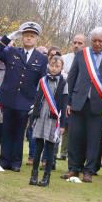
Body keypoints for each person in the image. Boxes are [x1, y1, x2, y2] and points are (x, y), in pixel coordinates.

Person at [63, 27, 102, 182]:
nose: (97, 44)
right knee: (75, 137)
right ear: (90, 41)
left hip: (99, 106)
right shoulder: (82, 54)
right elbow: (72, 78)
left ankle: (88, 171)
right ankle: (73, 169)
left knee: (93, 140)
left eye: (100, 41)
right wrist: (68, 101)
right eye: (94, 41)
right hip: (78, 103)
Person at [0, 22, 47, 172]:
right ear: (22, 38)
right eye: (26, 35)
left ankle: (16, 163)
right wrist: (9, 37)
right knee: (6, 130)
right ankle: (4, 161)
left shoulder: (41, 59)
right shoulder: (12, 52)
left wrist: (36, 102)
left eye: (32, 36)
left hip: (26, 100)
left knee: (19, 132)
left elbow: (43, 83)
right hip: (9, 98)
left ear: (36, 39)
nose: (28, 38)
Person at [29, 54, 67, 187]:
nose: (54, 68)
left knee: (50, 148)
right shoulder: (42, 80)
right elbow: (37, 99)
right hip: (41, 116)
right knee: (38, 146)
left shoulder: (63, 82)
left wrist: (62, 125)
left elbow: (63, 104)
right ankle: (34, 175)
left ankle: (46, 176)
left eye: (57, 66)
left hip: (53, 119)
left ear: (62, 67)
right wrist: (33, 118)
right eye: (52, 65)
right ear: (48, 65)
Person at [58, 34, 86, 161]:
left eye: (80, 43)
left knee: (76, 126)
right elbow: (60, 74)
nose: (76, 45)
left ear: (85, 45)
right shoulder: (65, 58)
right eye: (75, 42)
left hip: (80, 97)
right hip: (64, 95)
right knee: (64, 124)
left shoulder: (88, 60)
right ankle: (61, 152)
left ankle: (73, 154)